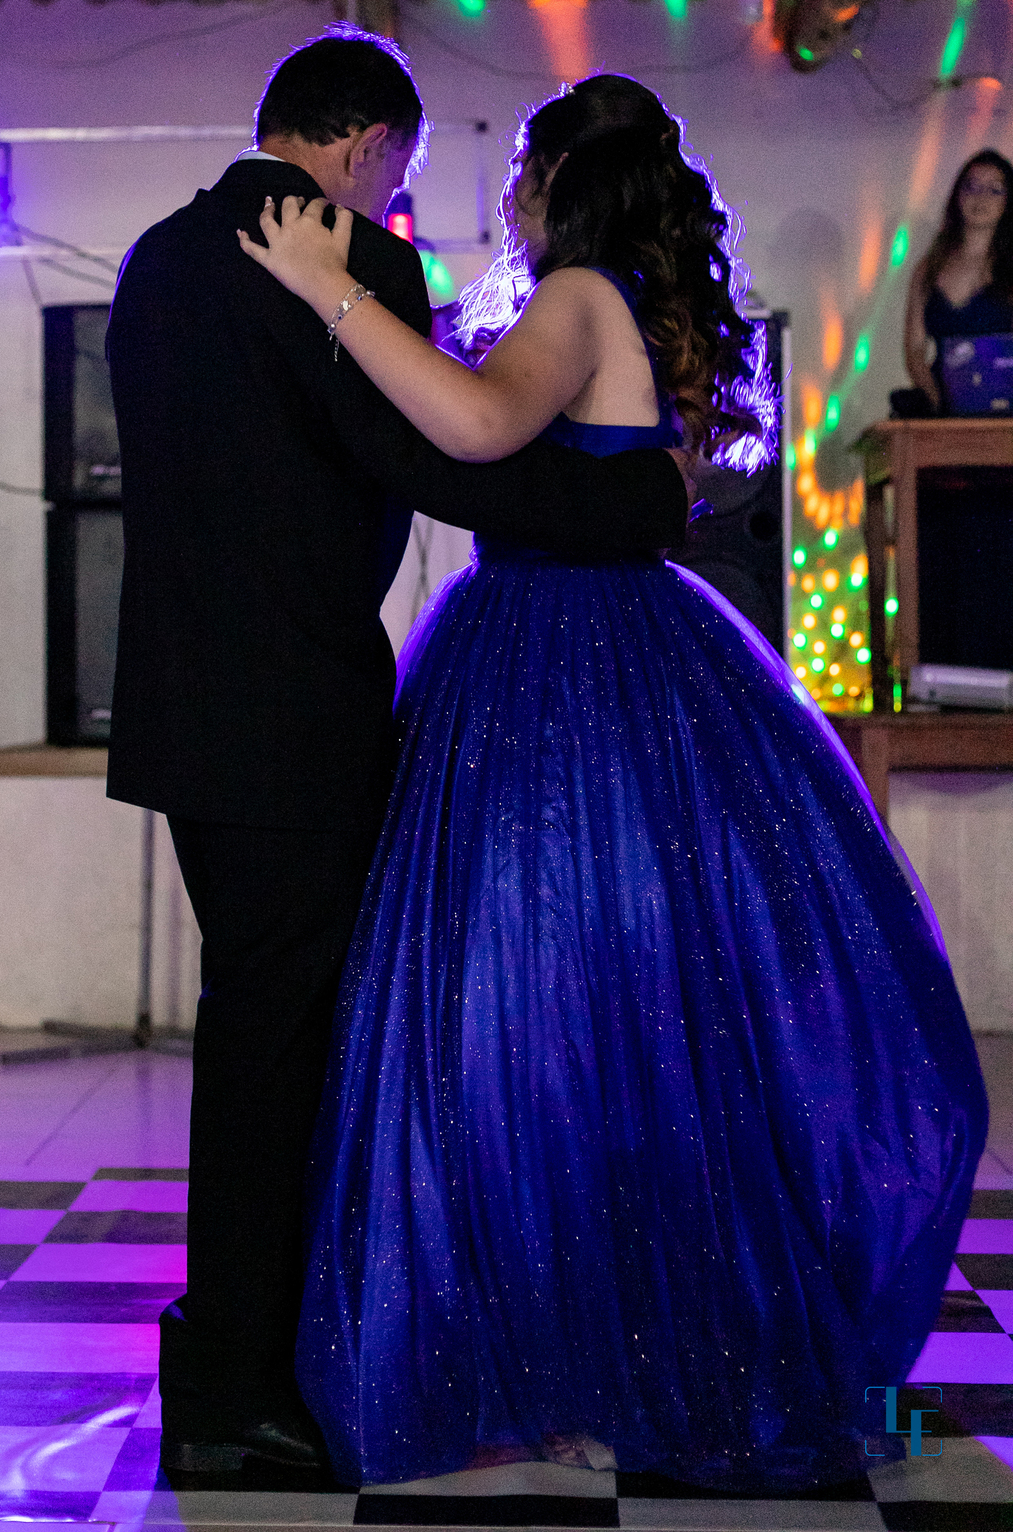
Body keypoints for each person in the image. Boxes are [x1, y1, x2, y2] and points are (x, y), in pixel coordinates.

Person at [238, 74, 989, 1493]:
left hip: (551, 666)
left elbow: (474, 430)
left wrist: (328, 288)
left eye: (524, 169)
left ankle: (575, 1359)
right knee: (624, 1022)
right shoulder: (628, 302)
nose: (511, 192)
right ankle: (602, 1344)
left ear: (566, 180)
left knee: (532, 1017)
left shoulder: (580, 296)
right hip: (622, 649)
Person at [105, 33, 690, 1475]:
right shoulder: (353, 260)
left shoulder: (156, 260)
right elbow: (435, 464)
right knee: (287, 1048)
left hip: (181, 711)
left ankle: (241, 1363)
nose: (395, 197)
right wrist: (630, 502)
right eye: (401, 170)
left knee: (257, 1026)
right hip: (299, 718)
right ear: (368, 147)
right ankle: (244, 1386)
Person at [903, 148, 1013, 411]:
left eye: (994, 190)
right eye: (971, 187)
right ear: (957, 196)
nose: (981, 197)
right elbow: (915, 349)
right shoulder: (928, 269)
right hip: (943, 407)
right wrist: (937, 399)